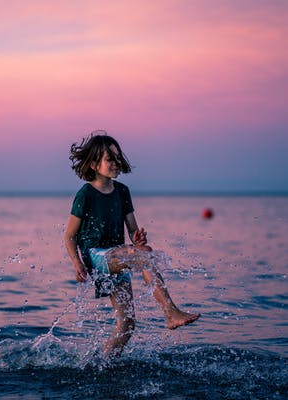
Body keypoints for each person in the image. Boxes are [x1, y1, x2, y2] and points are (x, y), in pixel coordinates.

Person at [64, 131, 200, 356]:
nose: (116, 163)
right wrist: (77, 263)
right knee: (141, 256)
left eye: (118, 157)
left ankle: (104, 364)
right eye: (110, 159)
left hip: (118, 258)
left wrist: (138, 239)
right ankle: (170, 312)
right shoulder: (85, 194)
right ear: (94, 164)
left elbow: (134, 231)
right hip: (96, 255)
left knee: (127, 325)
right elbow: (69, 235)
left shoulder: (123, 192)